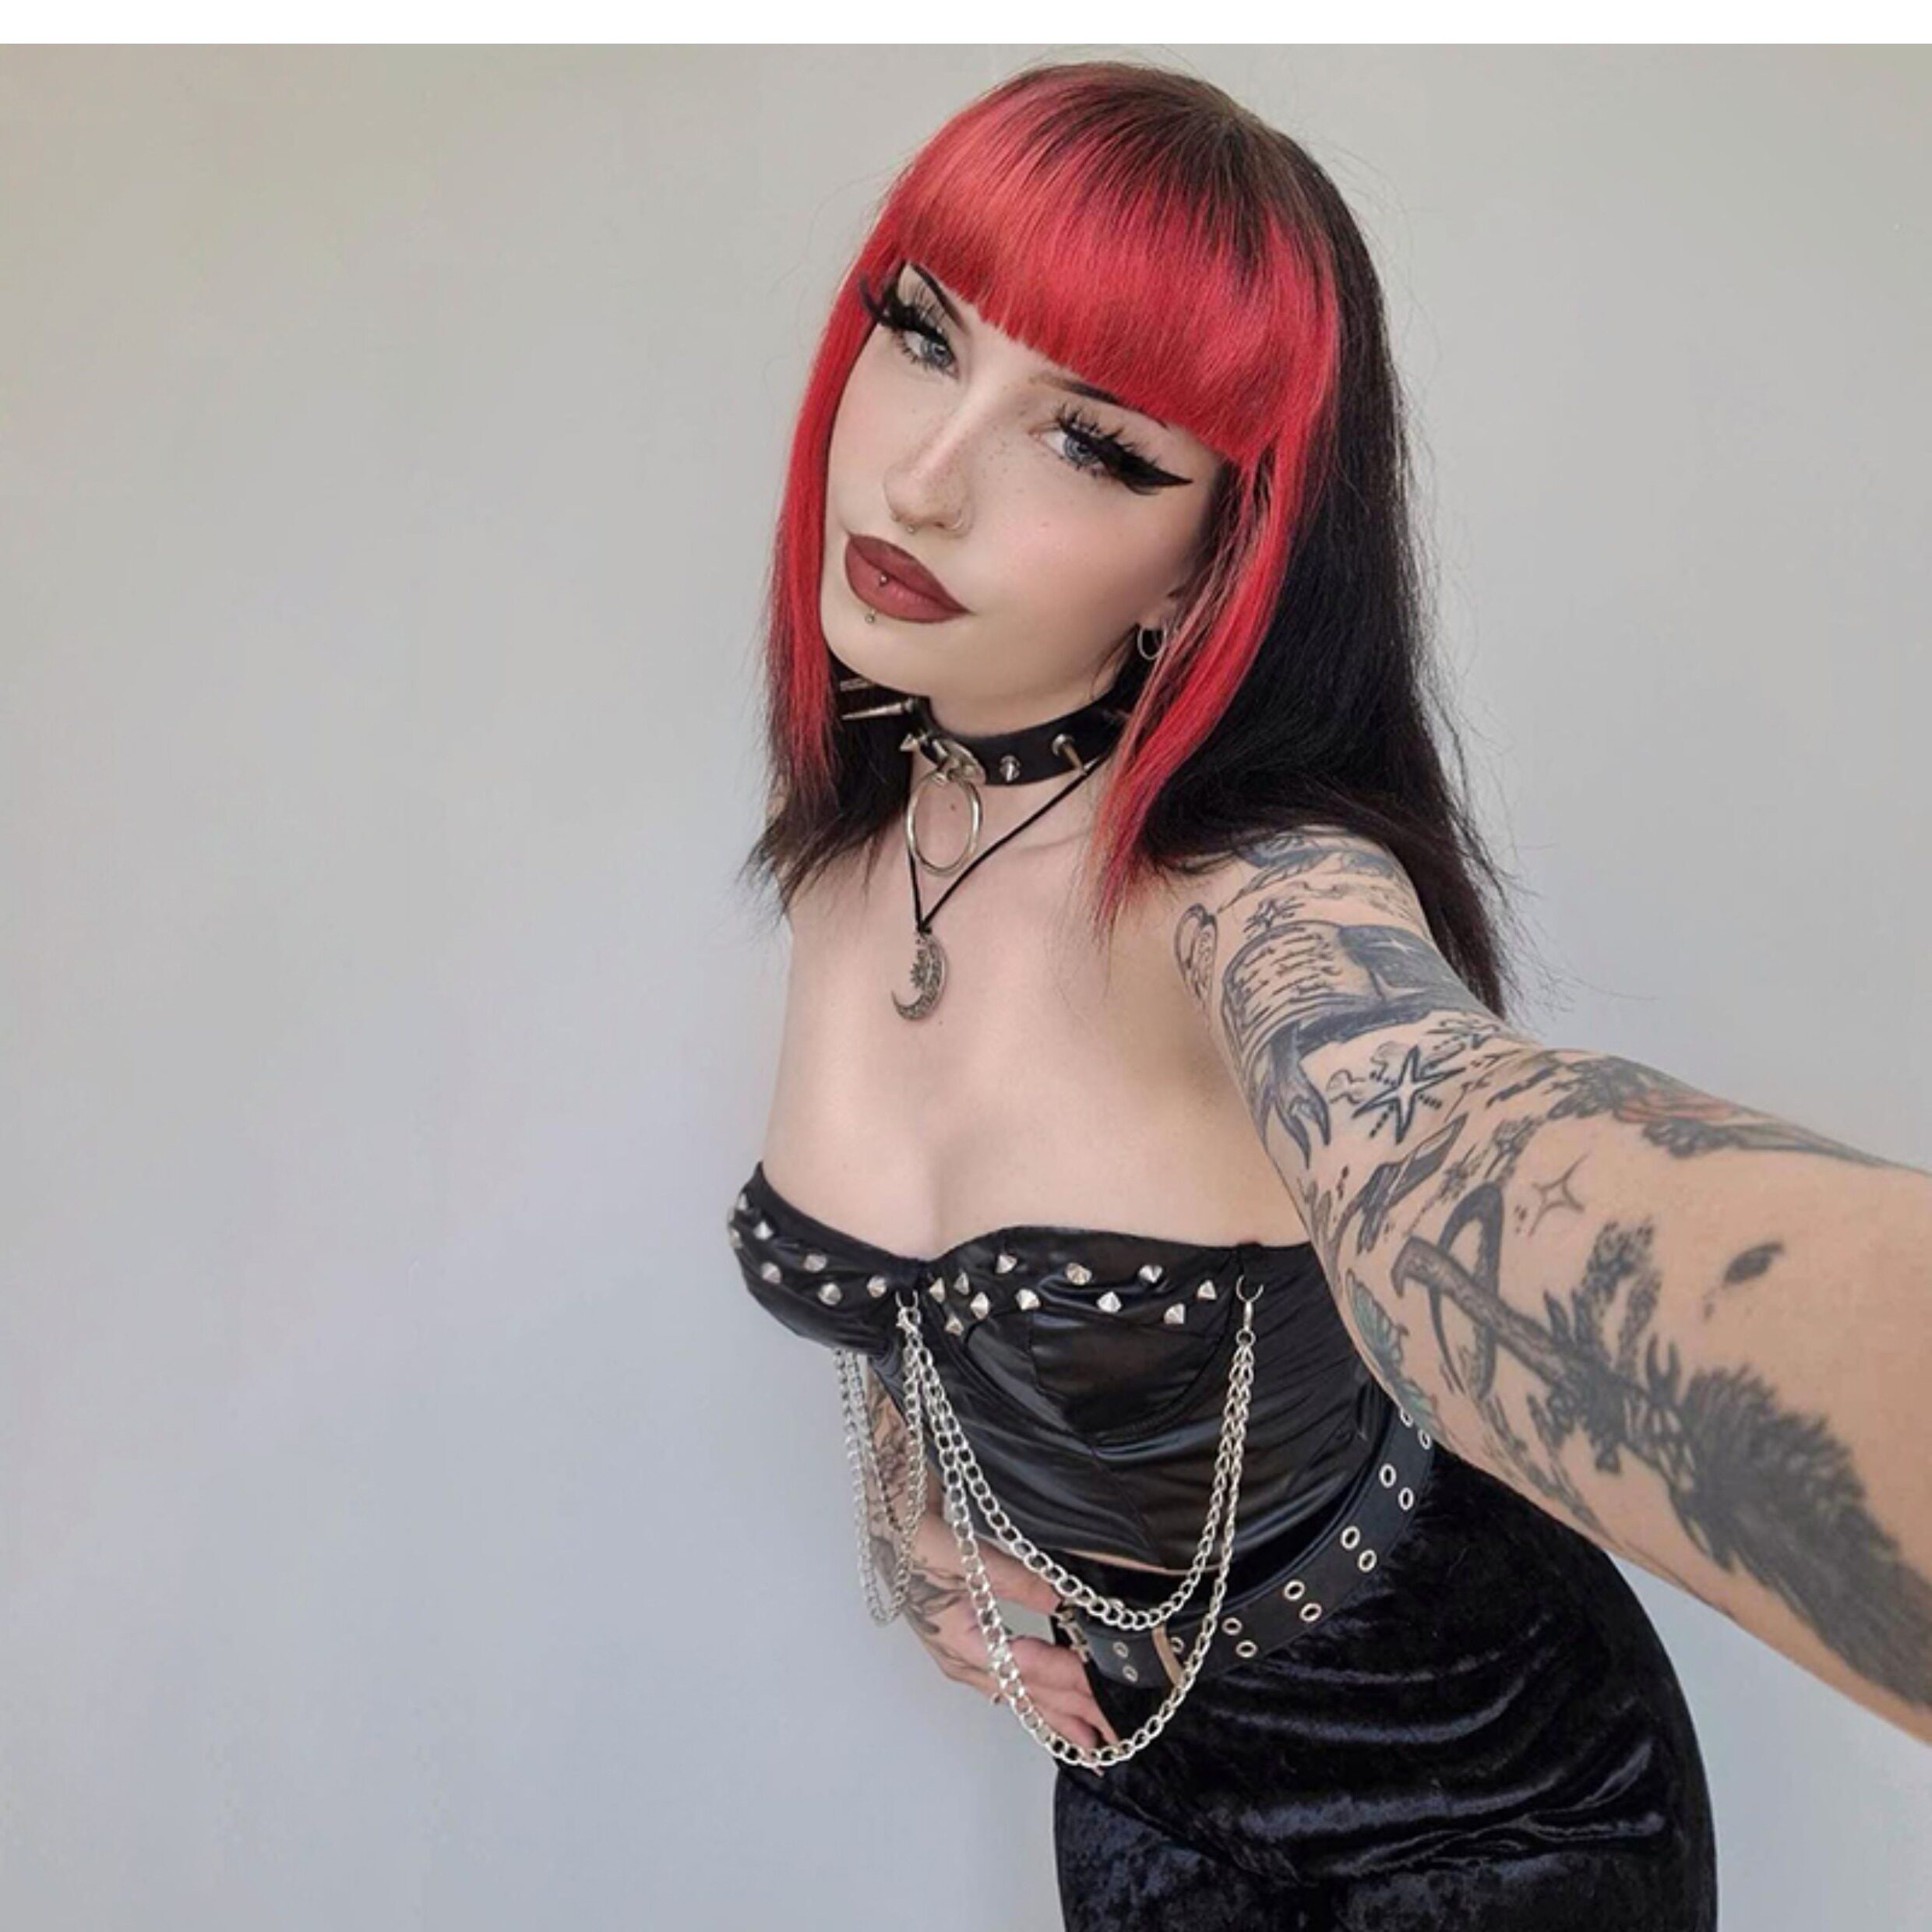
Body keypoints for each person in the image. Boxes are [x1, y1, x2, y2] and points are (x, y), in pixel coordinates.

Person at [727, 58, 1929, 1927]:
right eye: (922, 332)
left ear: (1213, 559)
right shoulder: (843, 869)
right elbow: (913, 1288)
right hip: (1136, 1795)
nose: (925, 475)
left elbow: (1434, 1134)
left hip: (1496, 1800)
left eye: (1091, 442)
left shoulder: (1257, 892)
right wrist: (924, 1513)